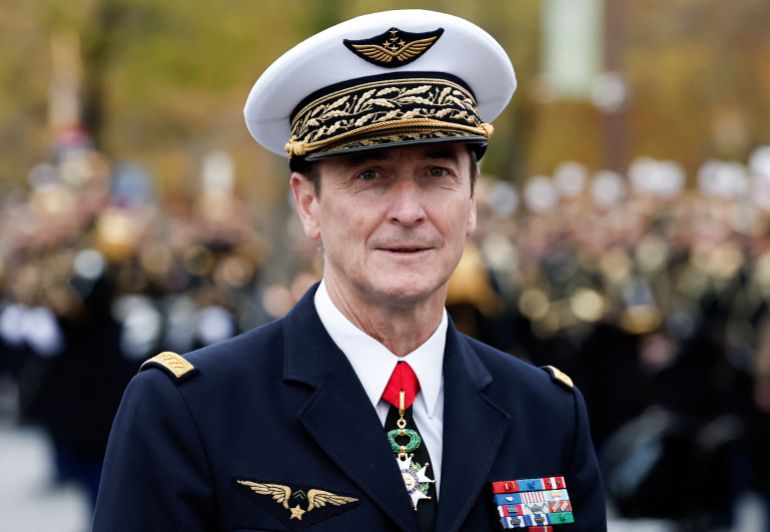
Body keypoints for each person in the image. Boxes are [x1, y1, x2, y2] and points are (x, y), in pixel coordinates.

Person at [93, 9, 607, 531]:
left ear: (472, 200)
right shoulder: (192, 412)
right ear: (308, 204)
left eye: (436, 173)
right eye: (370, 175)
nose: (409, 211)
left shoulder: (545, 414)